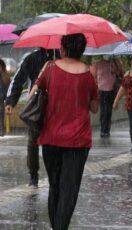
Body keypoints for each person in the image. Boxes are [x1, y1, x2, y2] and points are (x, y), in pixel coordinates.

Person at [32, 33, 99, 230]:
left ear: (62, 48)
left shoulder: (50, 69)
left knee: (55, 186)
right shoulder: (88, 73)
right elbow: (94, 107)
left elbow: (32, 96)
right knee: (69, 189)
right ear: (82, 50)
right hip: (78, 141)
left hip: (51, 137)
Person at [5, 48, 54, 187]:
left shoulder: (62, 57)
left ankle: (54, 173)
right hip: (37, 105)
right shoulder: (32, 58)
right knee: (33, 141)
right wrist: (10, 101)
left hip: (57, 106)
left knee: (53, 143)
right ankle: (33, 175)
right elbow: (18, 79)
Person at [90, 55, 123, 137]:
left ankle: (107, 129)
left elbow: (119, 72)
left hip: (111, 90)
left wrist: (115, 63)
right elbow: (93, 77)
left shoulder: (113, 63)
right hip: (101, 91)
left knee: (108, 111)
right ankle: (103, 129)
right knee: (103, 111)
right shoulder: (97, 64)